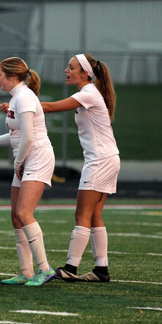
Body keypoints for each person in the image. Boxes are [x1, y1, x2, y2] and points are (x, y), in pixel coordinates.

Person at [41, 53, 119, 283]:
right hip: (107, 157)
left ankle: (70, 267)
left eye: (71, 67)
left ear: (85, 73)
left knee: (82, 214)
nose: (66, 70)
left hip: (100, 160)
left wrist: (21, 102)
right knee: (94, 215)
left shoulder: (87, 94)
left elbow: (51, 107)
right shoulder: (91, 92)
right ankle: (101, 269)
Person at [0, 57, 56, 286]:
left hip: (37, 157)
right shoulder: (16, 98)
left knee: (24, 213)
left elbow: (29, 138)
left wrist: (18, 163)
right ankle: (26, 272)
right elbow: (15, 137)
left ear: (12, 76)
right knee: (16, 216)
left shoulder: (25, 97)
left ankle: (45, 269)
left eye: (0, 74)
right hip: (26, 158)